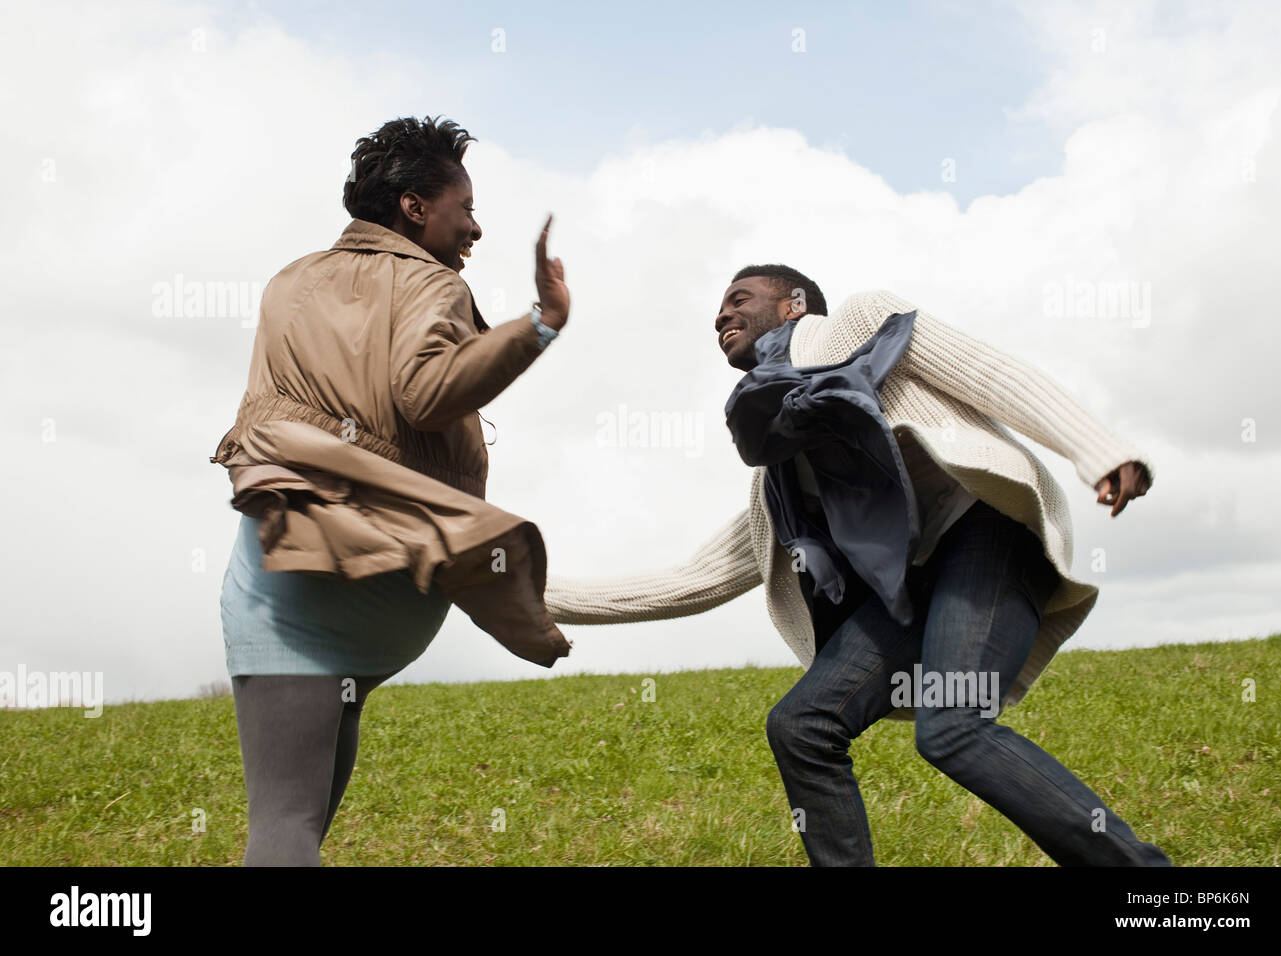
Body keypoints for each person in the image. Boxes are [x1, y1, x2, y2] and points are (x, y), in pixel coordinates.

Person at [544, 266, 1171, 866]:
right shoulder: (781, 480)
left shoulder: (865, 323)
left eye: (740, 298)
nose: (721, 314)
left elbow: (988, 373)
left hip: (988, 535)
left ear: (794, 305)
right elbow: (690, 580)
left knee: (952, 727)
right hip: (913, 586)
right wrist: (523, 596)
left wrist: (1100, 448)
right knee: (802, 725)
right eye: (719, 307)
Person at [211, 115, 571, 866]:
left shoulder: (291, 278)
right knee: (307, 813)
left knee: (284, 821)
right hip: (395, 567)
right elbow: (427, 395)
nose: (474, 226)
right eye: (463, 207)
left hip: (304, 557)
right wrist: (536, 326)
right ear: (414, 207)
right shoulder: (431, 283)